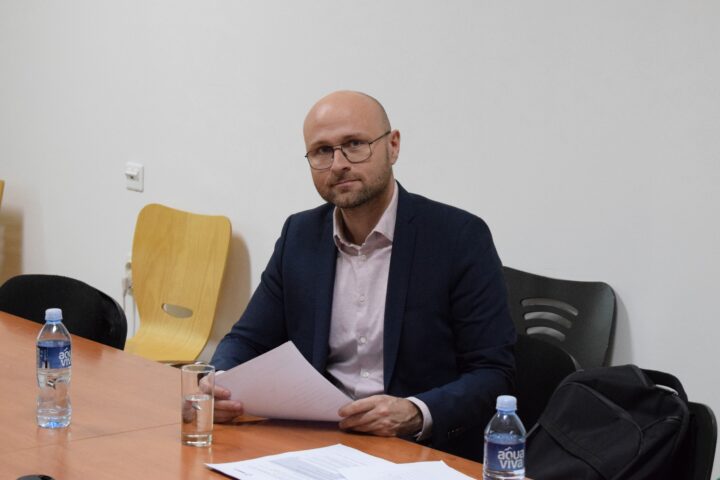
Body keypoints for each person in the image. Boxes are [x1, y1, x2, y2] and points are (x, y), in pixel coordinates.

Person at [210, 90, 516, 460]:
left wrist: (415, 412)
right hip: (318, 443)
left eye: (355, 144)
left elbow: (492, 373)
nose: (338, 164)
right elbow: (247, 340)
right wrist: (218, 384)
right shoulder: (299, 235)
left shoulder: (458, 237)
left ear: (393, 146)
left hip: (416, 451)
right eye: (322, 151)